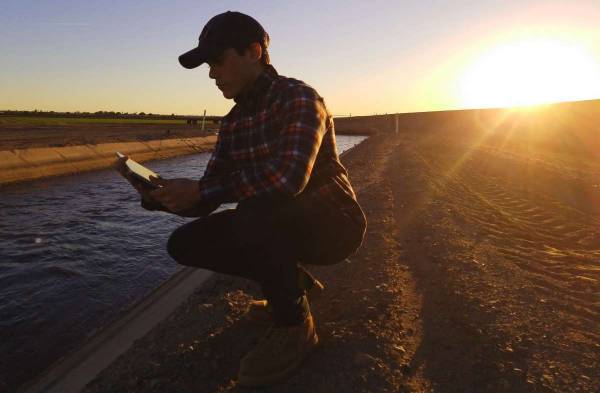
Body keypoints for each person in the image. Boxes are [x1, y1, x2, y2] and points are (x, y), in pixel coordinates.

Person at [115, 10, 366, 387]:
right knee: (185, 243)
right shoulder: (232, 123)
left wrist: (201, 190)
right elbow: (208, 198)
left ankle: (294, 325)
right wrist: (163, 197)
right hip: (276, 222)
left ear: (254, 52)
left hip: (334, 225)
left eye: (217, 60)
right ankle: (293, 285)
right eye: (208, 66)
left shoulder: (299, 98)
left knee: (256, 210)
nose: (212, 73)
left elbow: (287, 179)